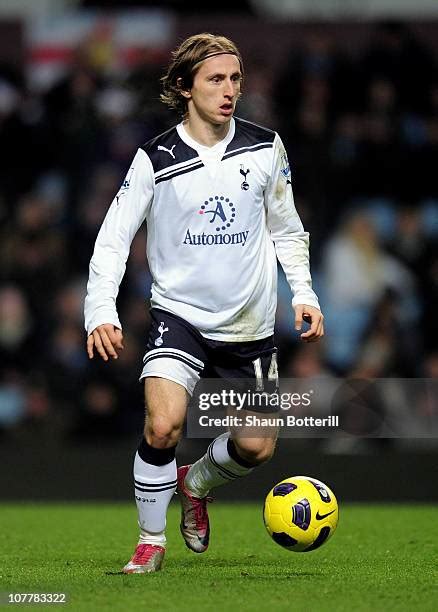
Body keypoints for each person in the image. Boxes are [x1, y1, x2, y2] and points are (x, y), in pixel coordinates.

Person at [84, 33, 323, 574]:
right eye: (216, 79)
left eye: (235, 79)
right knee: (162, 426)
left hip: (252, 324)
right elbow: (114, 236)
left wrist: (304, 294)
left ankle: (195, 483)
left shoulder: (265, 147)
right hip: (180, 317)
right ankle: (150, 540)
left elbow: (288, 228)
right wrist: (101, 310)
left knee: (257, 447)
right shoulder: (156, 157)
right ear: (184, 87)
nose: (229, 89)